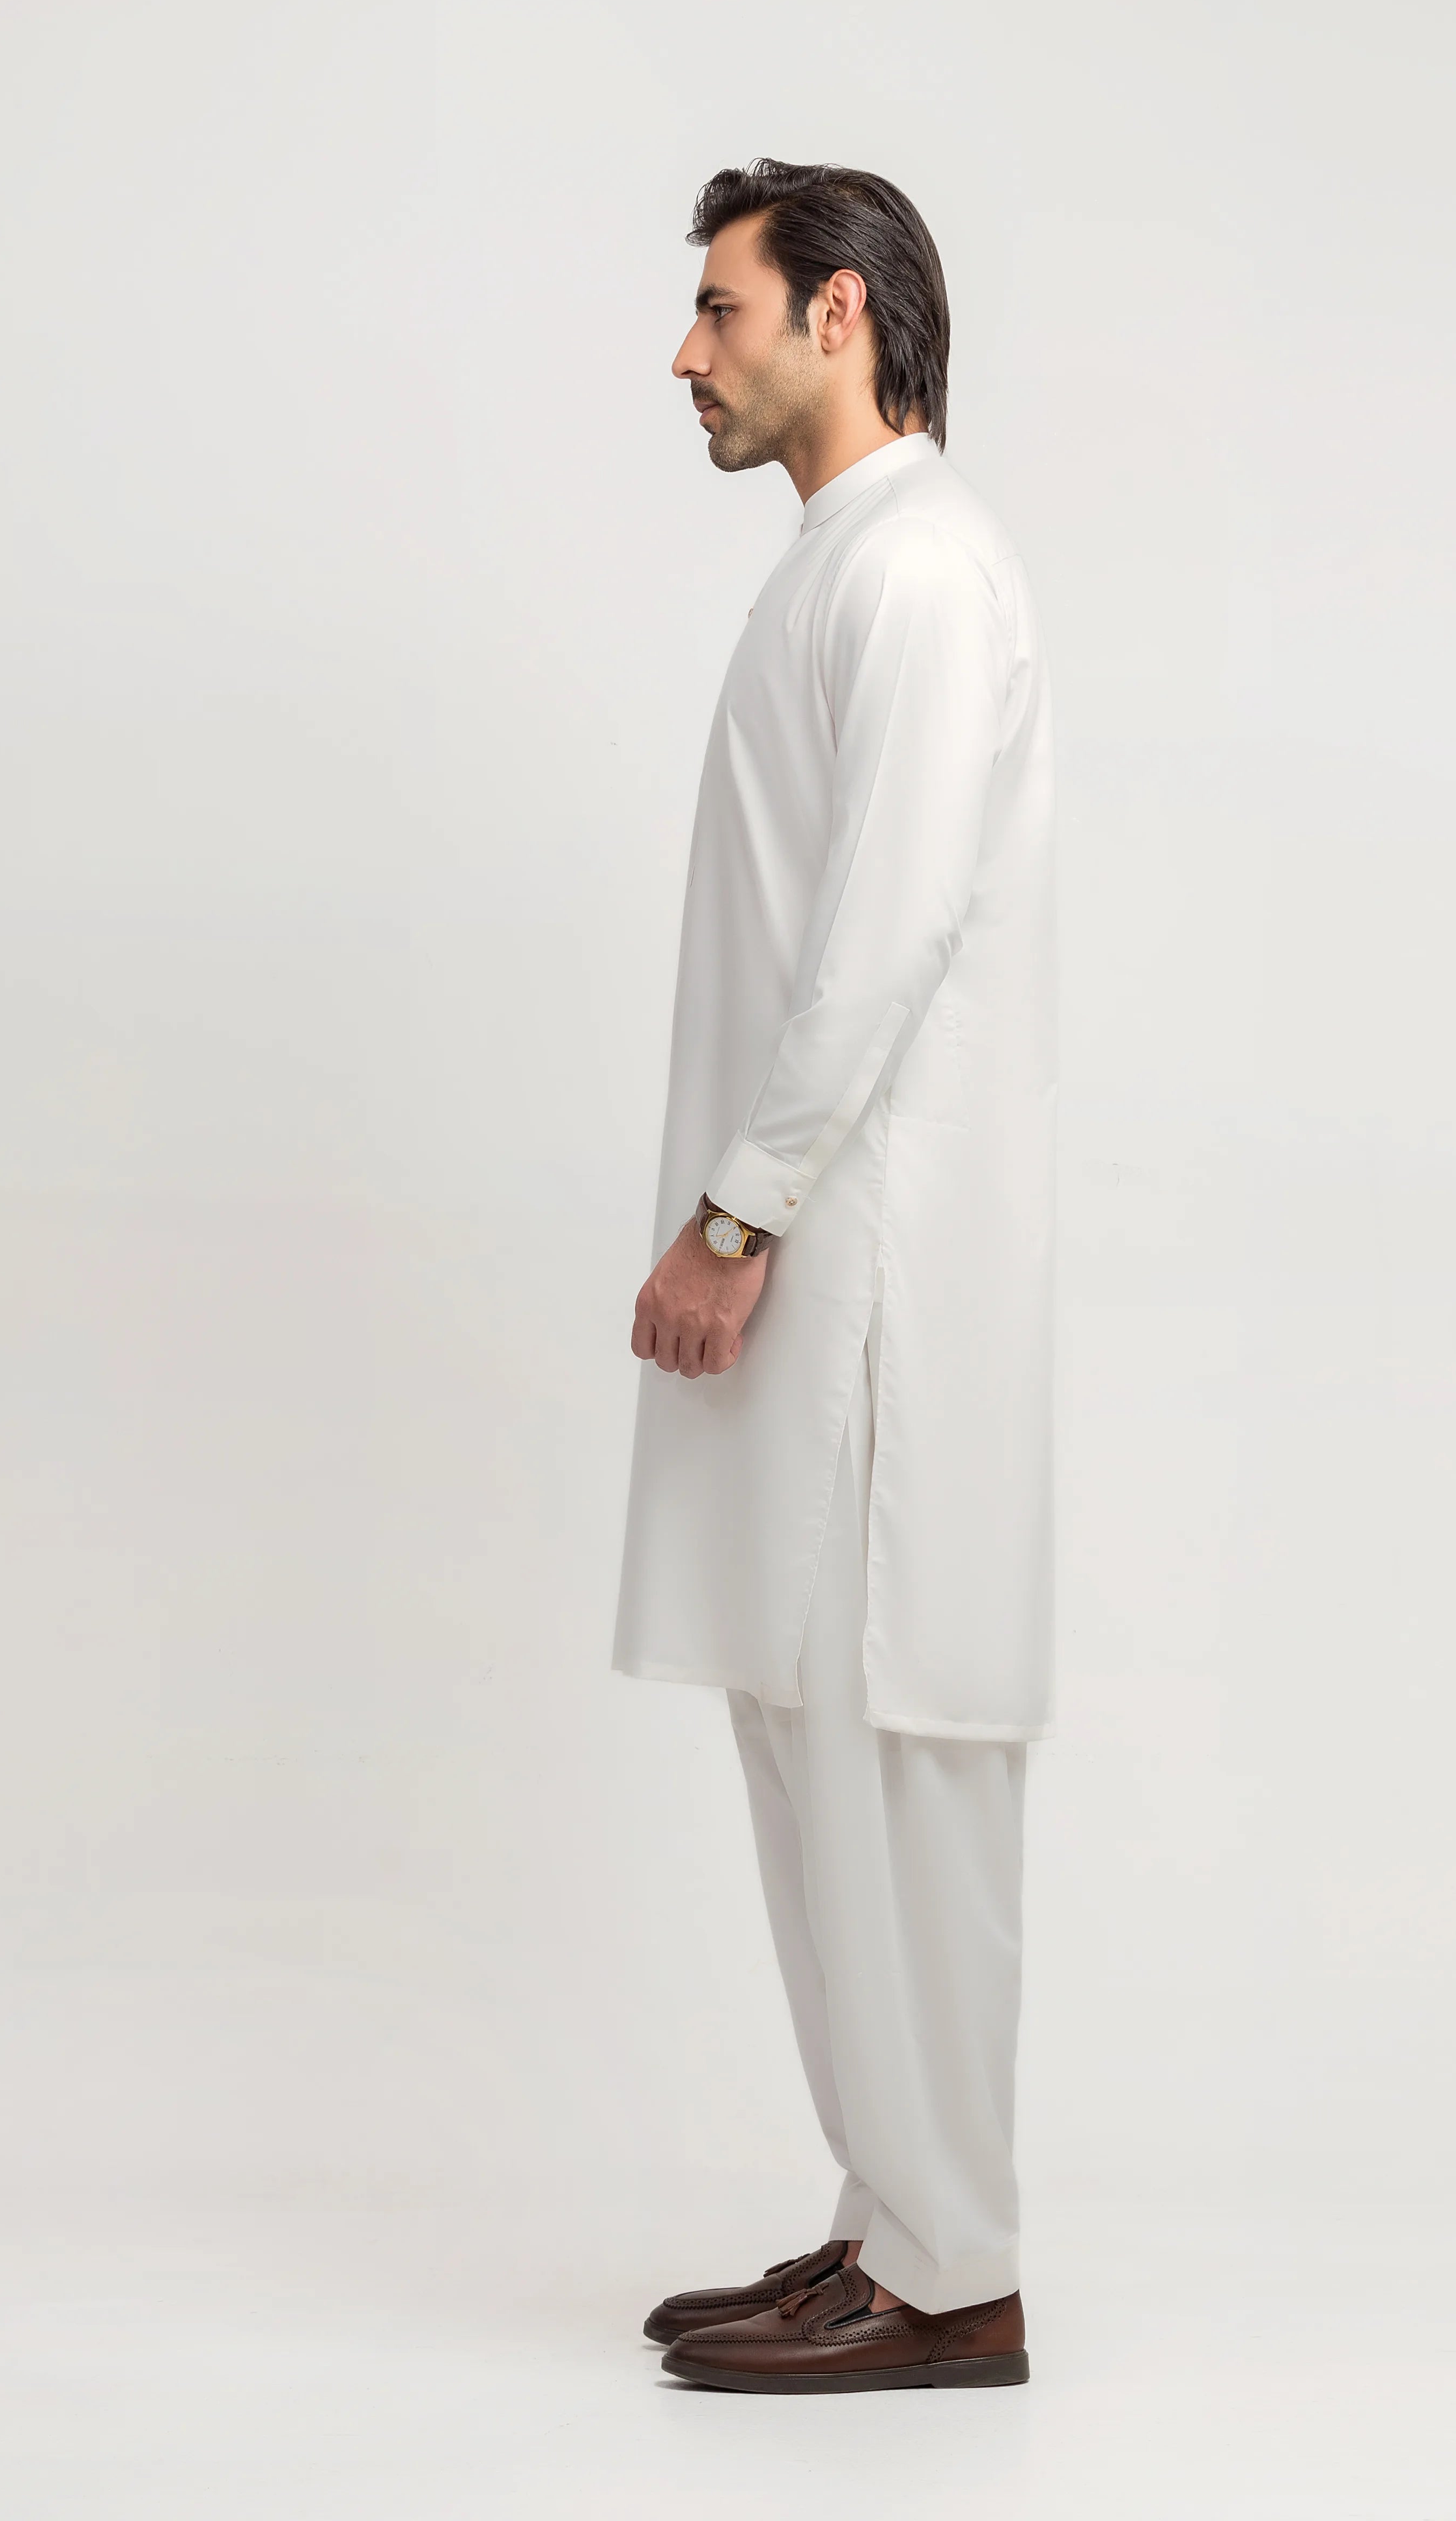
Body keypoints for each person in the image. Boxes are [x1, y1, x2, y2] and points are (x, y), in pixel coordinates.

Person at [612, 159, 1056, 2395]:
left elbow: (884, 932)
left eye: (721, 307)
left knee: (889, 1756)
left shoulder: (925, 570)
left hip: (866, 1281)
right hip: (823, 1271)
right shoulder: (846, 564)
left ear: (841, 314)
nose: (686, 353)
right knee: (810, 1737)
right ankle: (887, 2220)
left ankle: (956, 2276)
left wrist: (738, 1217)